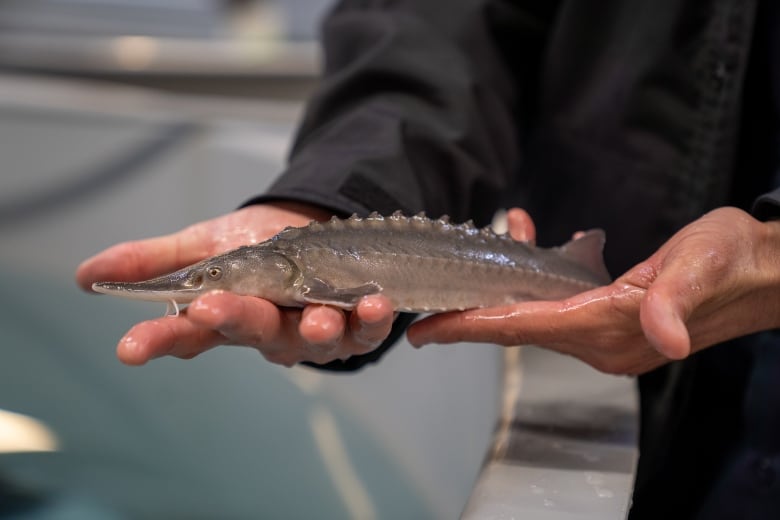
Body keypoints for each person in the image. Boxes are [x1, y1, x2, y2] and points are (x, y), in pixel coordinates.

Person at [77, 0, 780, 517]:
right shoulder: (290, 266)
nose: (198, 288)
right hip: (621, 331)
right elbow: (435, 27)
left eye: (205, 279)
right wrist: (335, 195)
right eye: (202, 282)